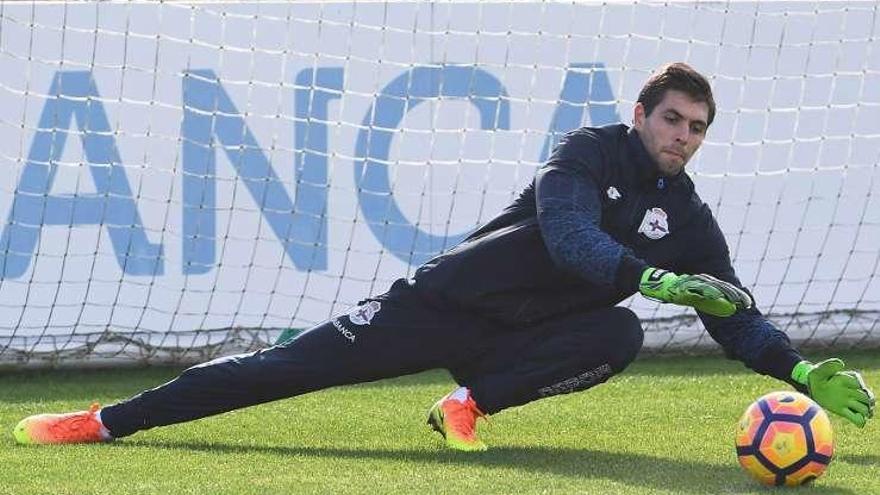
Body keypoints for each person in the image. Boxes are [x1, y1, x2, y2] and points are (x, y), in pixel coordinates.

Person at [13, 62, 874, 452]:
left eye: (696, 129)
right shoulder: (585, 150)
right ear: (641, 115)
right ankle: (106, 419)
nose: (683, 138)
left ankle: (470, 403)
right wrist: (647, 276)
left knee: (619, 336)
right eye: (672, 120)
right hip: (443, 303)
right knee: (282, 369)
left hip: (519, 342)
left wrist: (797, 368)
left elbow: (733, 309)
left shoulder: (689, 216)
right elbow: (572, 238)